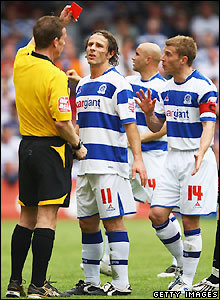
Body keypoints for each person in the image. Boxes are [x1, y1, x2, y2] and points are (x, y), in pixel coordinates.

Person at [6, 6, 87, 298]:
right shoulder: (55, 76)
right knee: (46, 218)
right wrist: (78, 146)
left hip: (25, 146)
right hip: (51, 149)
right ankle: (38, 285)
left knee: (25, 217)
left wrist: (58, 23)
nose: (64, 41)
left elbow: (33, 43)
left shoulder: (19, 60)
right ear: (56, 43)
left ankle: (15, 284)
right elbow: (61, 122)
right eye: (63, 37)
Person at [64, 29, 147, 296]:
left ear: (111, 53)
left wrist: (138, 159)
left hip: (110, 165)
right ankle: (91, 283)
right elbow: (81, 125)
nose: (92, 48)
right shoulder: (84, 83)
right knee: (86, 222)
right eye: (89, 44)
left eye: (99, 45)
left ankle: (122, 284)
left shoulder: (119, 83)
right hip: (86, 165)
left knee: (113, 222)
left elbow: (131, 125)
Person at [136, 35, 218, 292]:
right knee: (157, 214)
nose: (163, 59)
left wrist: (201, 153)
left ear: (183, 59)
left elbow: (209, 126)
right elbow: (157, 126)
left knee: (190, 222)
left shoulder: (204, 87)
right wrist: (149, 113)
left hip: (195, 159)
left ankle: (186, 282)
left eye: (168, 54)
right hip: (172, 158)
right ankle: (184, 264)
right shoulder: (165, 88)